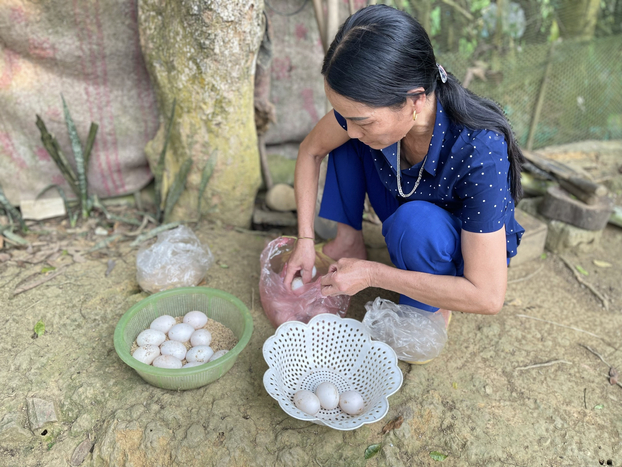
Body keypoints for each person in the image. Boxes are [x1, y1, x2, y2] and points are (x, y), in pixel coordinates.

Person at [283, 5, 525, 335]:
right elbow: (311, 151)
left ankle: (433, 305)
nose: (351, 128)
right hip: (403, 197)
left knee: (416, 225)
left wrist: (372, 275)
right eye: (345, 116)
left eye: (362, 120)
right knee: (349, 141)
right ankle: (348, 243)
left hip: (447, 241)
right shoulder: (373, 115)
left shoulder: (480, 150)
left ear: (415, 102)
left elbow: (488, 297)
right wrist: (305, 240)